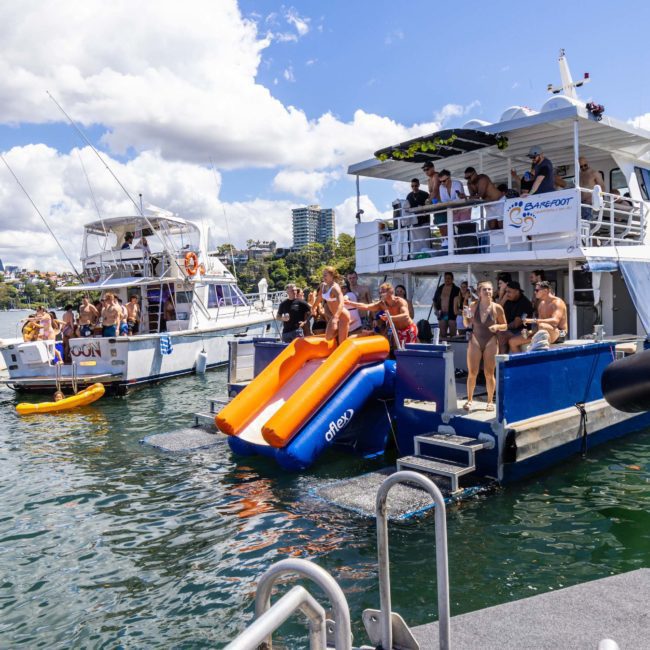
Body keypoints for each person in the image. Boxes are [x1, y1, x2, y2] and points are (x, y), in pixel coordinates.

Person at [462, 280, 507, 412]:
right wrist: (465, 317)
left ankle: (489, 402)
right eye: (484, 290)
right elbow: (467, 324)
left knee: (489, 373)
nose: (487, 292)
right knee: (472, 373)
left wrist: (497, 326)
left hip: (491, 341)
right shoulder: (473, 306)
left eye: (489, 289)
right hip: (475, 340)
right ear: (479, 293)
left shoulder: (497, 308)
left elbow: (505, 325)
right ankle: (469, 400)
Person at [345, 282, 418, 347]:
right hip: (398, 330)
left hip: (409, 328)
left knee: (410, 349)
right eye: (380, 292)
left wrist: (389, 318)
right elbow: (366, 306)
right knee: (399, 349)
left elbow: (406, 316)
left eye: (383, 292)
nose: (381, 294)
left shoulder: (400, 301)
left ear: (390, 291)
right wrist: (350, 303)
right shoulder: (381, 304)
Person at [508, 281, 568, 352]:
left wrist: (533, 320)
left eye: (537, 290)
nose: (535, 292)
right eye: (534, 290)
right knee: (512, 342)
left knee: (543, 326)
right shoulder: (541, 304)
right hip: (543, 333)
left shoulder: (557, 302)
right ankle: (522, 362)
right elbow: (539, 325)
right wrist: (529, 332)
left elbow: (555, 321)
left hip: (559, 334)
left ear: (545, 291)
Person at [313, 266, 350, 345]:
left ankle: (345, 334)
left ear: (332, 276)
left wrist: (336, 317)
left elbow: (341, 303)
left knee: (342, 342)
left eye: (325, 275)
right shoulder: (323, 285)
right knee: (328, 337)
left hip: (342, 316)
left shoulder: (335, 288)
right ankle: (343, 333)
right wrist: (313, 307)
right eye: (323, 275)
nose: (323, 277)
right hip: (334, 316)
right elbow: (319, 297)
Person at [497, 281, 534, 353]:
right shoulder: (508, 299)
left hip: (522, 331)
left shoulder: (525, 303)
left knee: (502, 335)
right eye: (506, 292)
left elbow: (516, 323)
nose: (507, 294)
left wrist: (502, 327)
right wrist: (503, 298)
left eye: (509, 292)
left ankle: (502, 361)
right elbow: (497, 311)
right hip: (509, 329)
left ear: (517, 292)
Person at [433, 272, 460, 338]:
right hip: (442, 314)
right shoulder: (440, 288)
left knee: (453, 334)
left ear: (452, 279)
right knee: (442, 333)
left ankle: (454, 346)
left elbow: (460, 302)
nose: (447, 280)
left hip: (452, 313)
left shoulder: (456, 289)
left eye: (449, 278)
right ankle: (443, 346)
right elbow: (434, 300)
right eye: (445, 278)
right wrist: (436, 310)